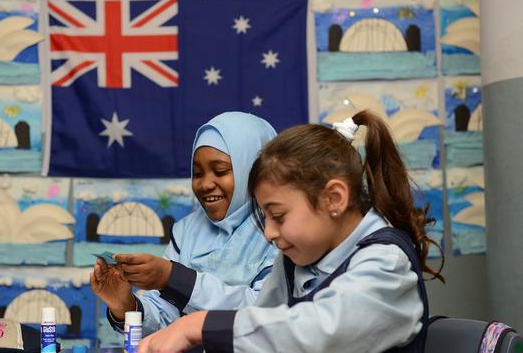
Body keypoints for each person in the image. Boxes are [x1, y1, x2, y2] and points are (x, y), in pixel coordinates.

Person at [138, 111, 445, 353]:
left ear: (334, 199)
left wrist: (201, 325)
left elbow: (321, 332)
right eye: (264, 218)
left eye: (278, 216)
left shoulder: (386, 263)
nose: (269, 233)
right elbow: (259, 329)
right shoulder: (293, 263)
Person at [90, 111, 279, 337]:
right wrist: (127, 307)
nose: (205, 184)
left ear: (254, 170)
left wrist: (174, 279)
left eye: (220, 171)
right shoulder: (187, 231)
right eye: (197, 173)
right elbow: (167, 316)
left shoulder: (280, 230)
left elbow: (265, 315)